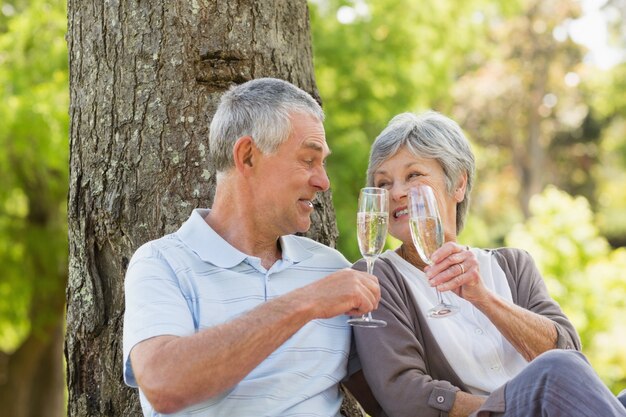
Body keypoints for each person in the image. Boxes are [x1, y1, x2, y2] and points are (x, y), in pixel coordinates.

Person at [122, 77, 381, 417]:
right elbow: (164, 385)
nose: (323, 181)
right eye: (308, 160)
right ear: (247, 157)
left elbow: (391, 398)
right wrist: (308, 302)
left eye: (323, 163)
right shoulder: (161, 263)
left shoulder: (332, 268)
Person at [352, 110, 626, 417]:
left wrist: (484, 299)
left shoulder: (513, 265)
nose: (396, 193)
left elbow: (570, 359)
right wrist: (515, 406)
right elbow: (404, 394)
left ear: (458, 183)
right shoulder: (377, 278)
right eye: (383, 183)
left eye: (413, 175)